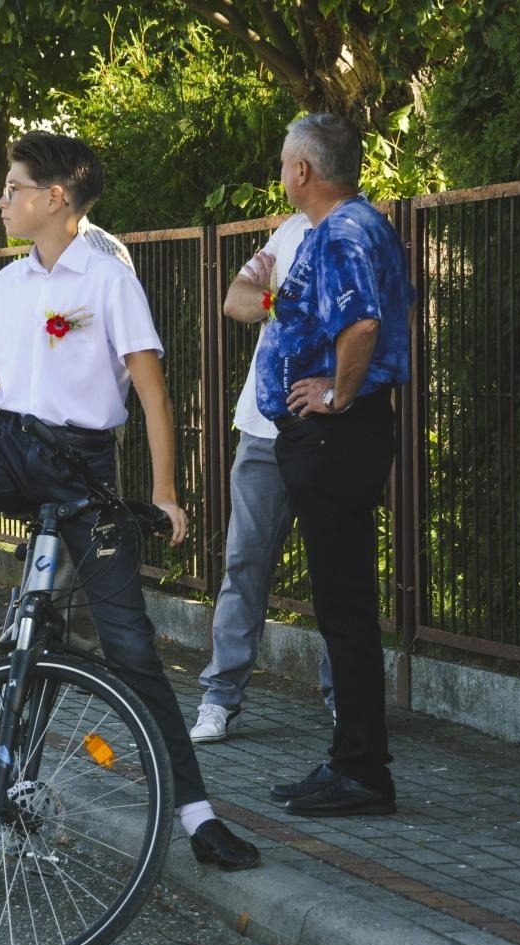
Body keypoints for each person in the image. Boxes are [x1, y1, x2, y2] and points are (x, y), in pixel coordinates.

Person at [0, 130, 261, 871]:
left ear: (56, 199)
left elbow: (153, 393)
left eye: (14, 188)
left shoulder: (107, 277)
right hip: (9, 445)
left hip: (82, 471)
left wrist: (163, 491)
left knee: (132, 649)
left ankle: (197, 814)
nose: (2, 199)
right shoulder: (10, 282)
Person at [258, 114, 413, 817]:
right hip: (327, 439)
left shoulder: (346, 230)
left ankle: (363, 772)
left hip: (336, 438)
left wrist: (337, 392)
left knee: (345, 607)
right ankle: (352, 758)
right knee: (340, 605)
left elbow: (363, 323)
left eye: (286, 161)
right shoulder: (343, 227)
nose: (283, 171)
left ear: (303, 172)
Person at [190, 211, 336, 743]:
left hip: (328, 427)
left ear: (306, 166)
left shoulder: (357, 231)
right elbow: (236, 298)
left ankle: (344, 698)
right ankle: (220, 698)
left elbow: (375, 325)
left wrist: (274, 301)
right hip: (262, 427)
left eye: (288, 161)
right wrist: (279, 301)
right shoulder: (291, 230)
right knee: (243, 561)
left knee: (334, 568)